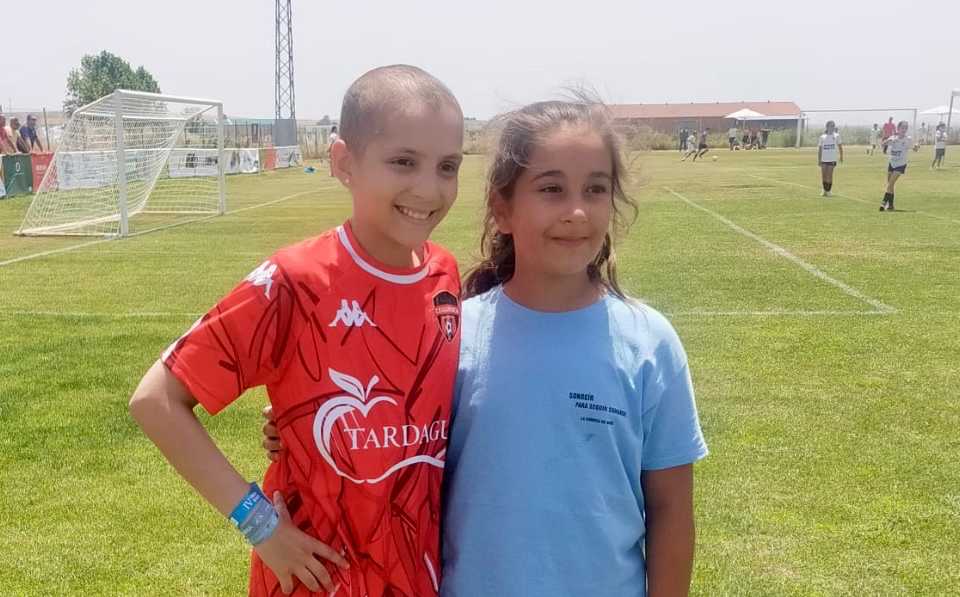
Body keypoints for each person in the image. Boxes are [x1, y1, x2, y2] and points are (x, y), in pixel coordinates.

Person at [261, 98, 708, 596]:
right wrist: (300, 421)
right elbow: (391, 440)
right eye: (552, 189)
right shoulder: (450, 333)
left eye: (596, 189)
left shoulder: (649, 343)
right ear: (501, 208)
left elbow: (670, 509)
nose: (577, 211)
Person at [129, 64, 466, 597]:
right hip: (314, 579)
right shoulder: (295, 281)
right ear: (344, 163)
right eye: (404, 161)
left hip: (416, 578)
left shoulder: (444, 275)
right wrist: (260, 525)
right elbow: (156, 400)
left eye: (447, 166)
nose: (428, 188)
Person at [879, 120, 918, 211]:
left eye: (905, 128)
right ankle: (891, 205)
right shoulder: (893, 137)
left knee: (890, 183)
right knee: (890, 185)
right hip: (892, 163)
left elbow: (914, 149)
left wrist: (916, 147)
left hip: (900, 164)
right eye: (902, 128)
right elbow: (882, 144)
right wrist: (889, 140)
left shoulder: (908, 139)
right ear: (898, 128)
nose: (904, 130)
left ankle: (883, 203)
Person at [817, 120, 843, 197]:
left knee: (829, 174)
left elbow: (840, 147)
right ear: (827, 127)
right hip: (824, 159)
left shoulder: (836, 136)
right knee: (824, 174)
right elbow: (820, 148)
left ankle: (828, 190)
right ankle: (824, 190)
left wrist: (841, 156)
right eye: (830, 126)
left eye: (833, 126)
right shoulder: (823, 137)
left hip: (832, 159)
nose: (831, 128)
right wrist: (819, 159)